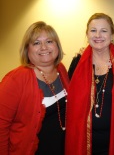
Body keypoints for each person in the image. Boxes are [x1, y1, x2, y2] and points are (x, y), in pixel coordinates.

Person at [65, 13, 114, 155]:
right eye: (93, 30)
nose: (98, 35)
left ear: (112, 35)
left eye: (104, 30)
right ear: (87, 34)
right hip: (82, 140)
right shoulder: (78, 63)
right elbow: (69, 102)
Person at [0, 21, 69, 155]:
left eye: (49, 41)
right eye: (36, 43)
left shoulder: (61, 69)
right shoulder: (15, 80)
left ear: (57, 46)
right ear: (27, 49)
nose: (44, 47)